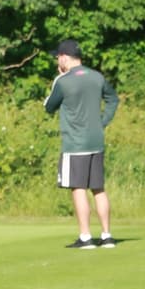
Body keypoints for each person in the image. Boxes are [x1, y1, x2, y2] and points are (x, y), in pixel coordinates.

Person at [44, 40, 120, 249]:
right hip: (96, 141)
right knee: (98, 188)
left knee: (78, 188)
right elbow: (113, 99)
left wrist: (59, 76)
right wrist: (103, 122)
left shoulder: (63, 81)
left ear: (64, 58)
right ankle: (107, 236)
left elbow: (49, 106)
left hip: (75, 144)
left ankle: (85, 237)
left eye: (57, 57)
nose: (57, 61)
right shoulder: (97, 76)